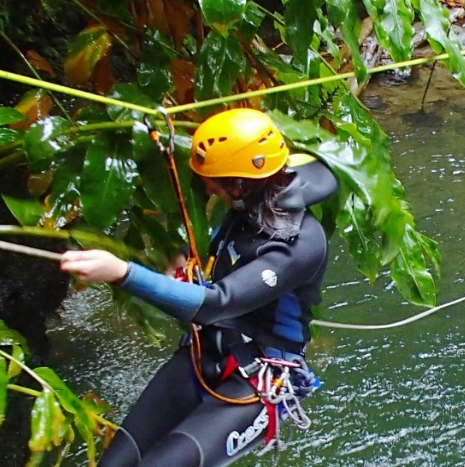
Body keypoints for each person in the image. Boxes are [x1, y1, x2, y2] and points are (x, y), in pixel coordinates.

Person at [60, 108, 338, 467]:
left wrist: (122, 273)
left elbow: (217, 303)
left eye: (214, 181)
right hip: (206, 350)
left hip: (259, 379)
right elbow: (223, 252)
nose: (206, 188)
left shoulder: (300, 243)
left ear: (240, 182)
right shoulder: (251, 204)